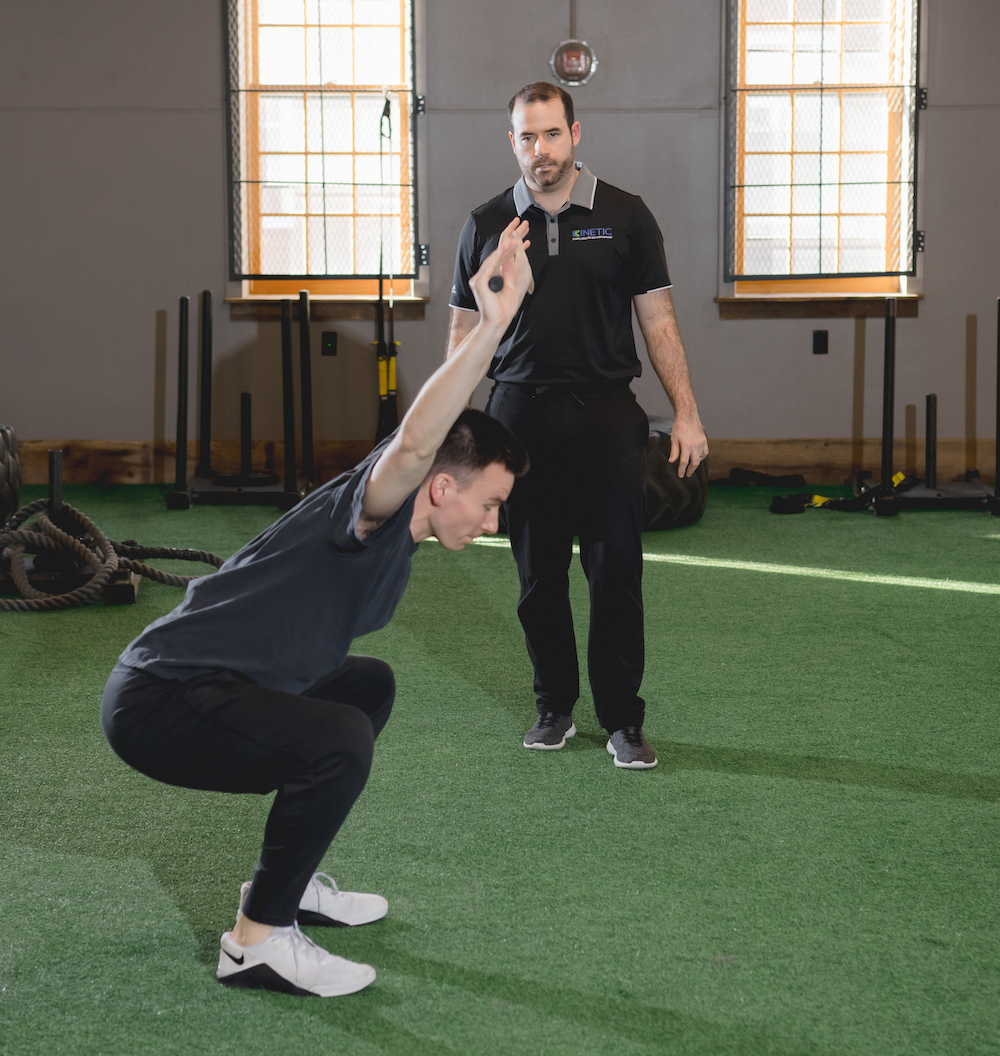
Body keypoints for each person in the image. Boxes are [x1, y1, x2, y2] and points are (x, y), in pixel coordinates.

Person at [100, 220, 533, 998]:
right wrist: (495, 328)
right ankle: (257, 942)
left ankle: (287, 883)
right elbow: (416, 440)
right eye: (493, 503)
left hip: (214, 687)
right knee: (336, 738)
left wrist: (477, 316)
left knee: (365, 688)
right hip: (159, 701)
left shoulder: (403, 524)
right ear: (444, 486)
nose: (494, 522)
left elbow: (434, 430)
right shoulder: (374, 506)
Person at [447, 82, 709, 770]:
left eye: (552, 134)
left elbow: (659, 321)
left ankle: (622, 719)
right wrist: (452, 438)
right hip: (518, 413)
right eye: (527, 137)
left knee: (615, 569)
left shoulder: (624, 216)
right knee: (537, 575)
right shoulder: (485, 224)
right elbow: (464, 334)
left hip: (607, 415)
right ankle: (553, 707)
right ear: (512, 142)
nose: (541, 149)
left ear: (576, 134)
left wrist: (686, 411)